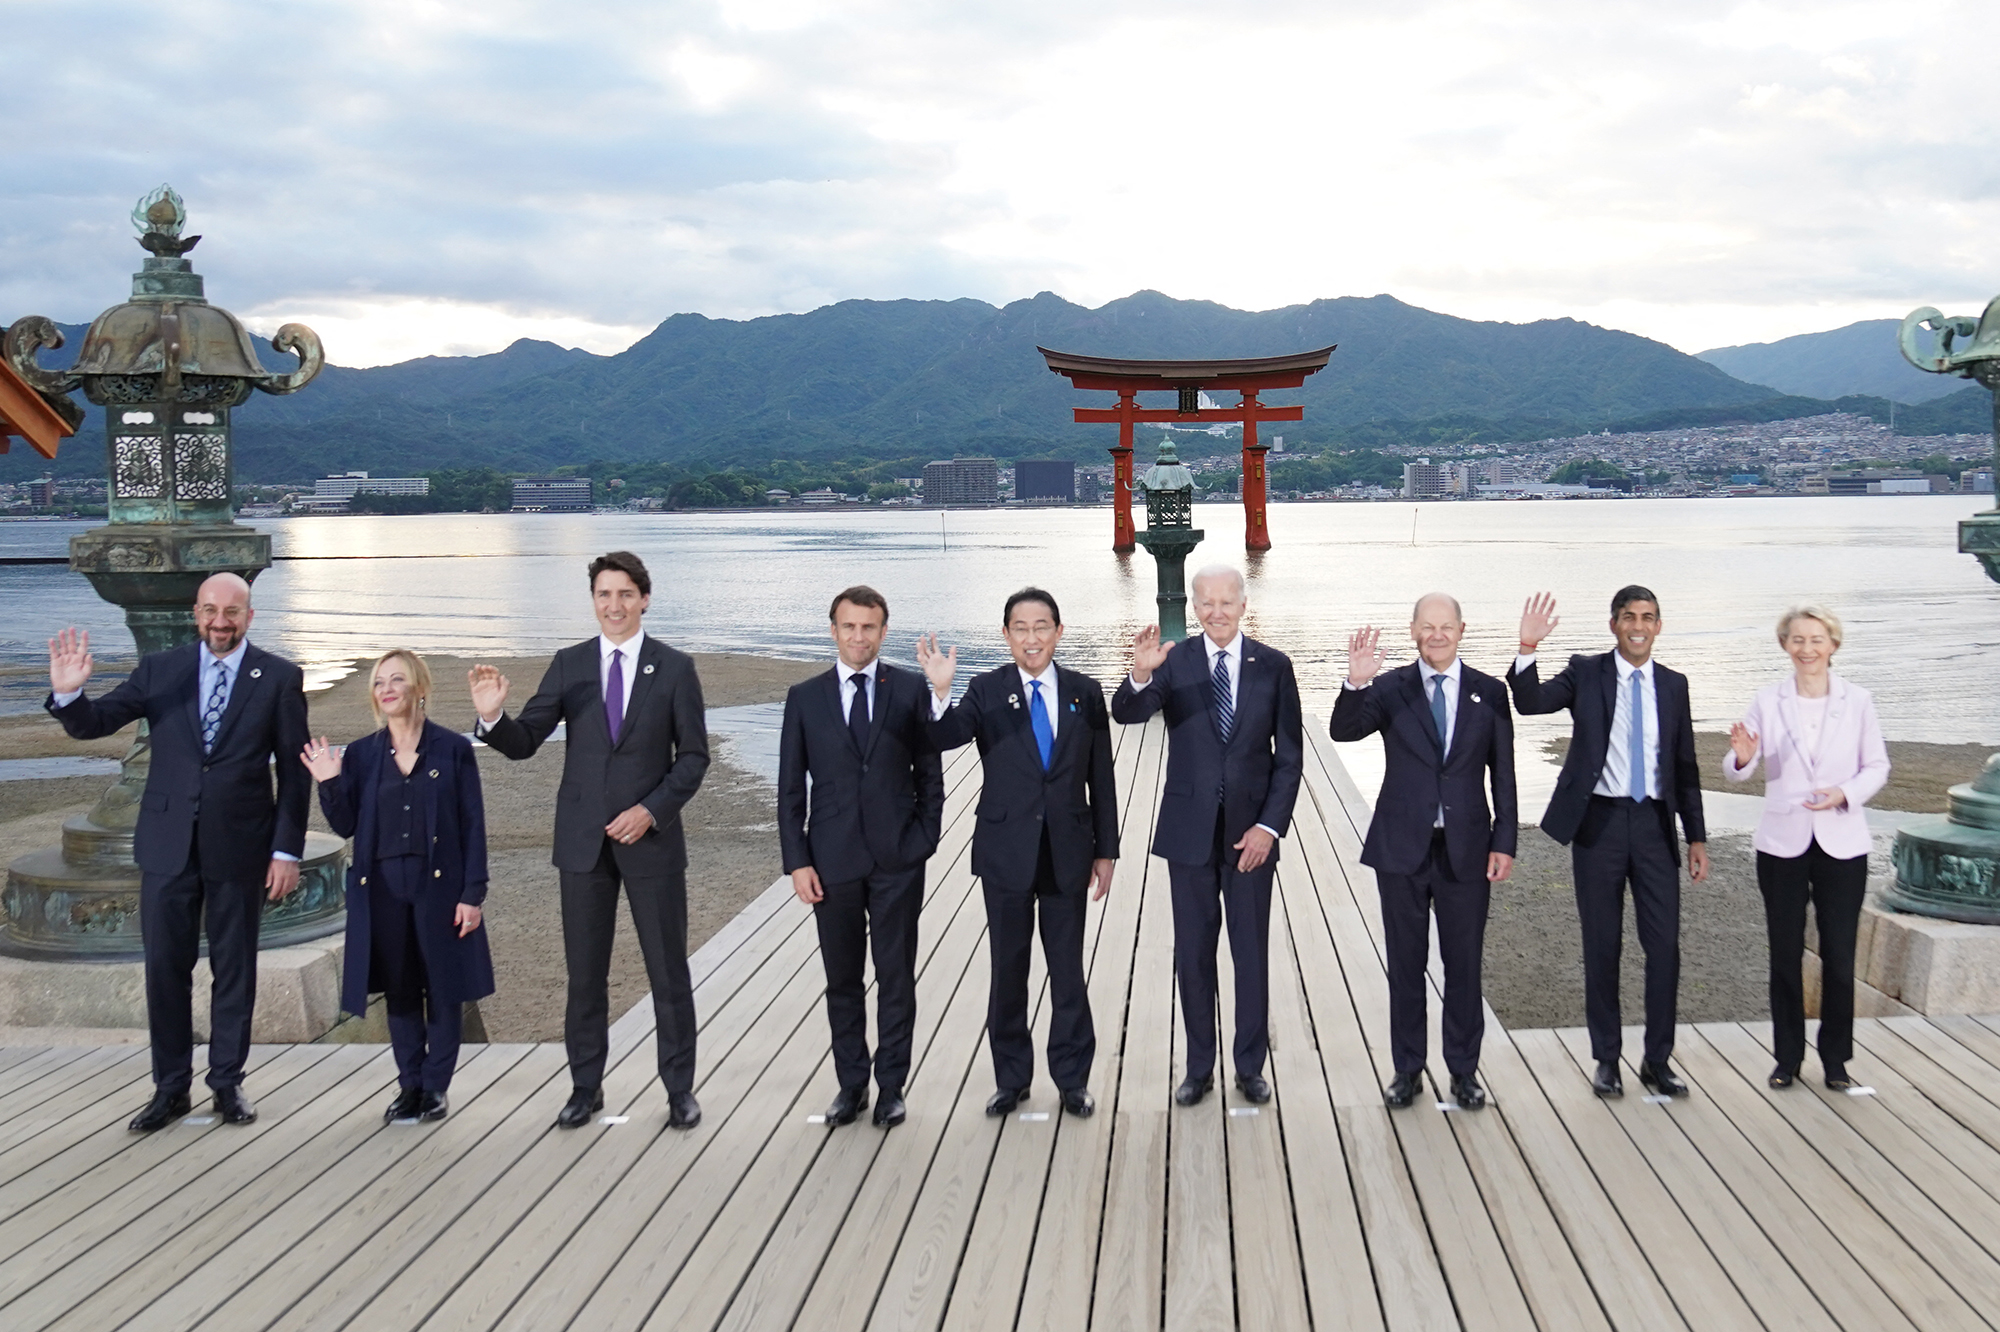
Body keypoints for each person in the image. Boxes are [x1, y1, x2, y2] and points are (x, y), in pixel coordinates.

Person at [45, 573, 309, 1132]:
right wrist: (70, 694)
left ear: (249, 616)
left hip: (241, 847)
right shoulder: (160, 670)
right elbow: (96, 723)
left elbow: (293, 772)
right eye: (211, 610)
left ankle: (227, 1084)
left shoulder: (280, 678)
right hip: (166, 847)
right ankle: (169, 1089)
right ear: (196, 613)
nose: (220, 621)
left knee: (234, 970)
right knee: (166, 970)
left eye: (232, 612)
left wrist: (286, 850)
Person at [468, 551, 709, 1130]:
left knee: (668, 973)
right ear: (594, 600)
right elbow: (527, 740)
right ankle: (585, 1088)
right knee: (584, 975)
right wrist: (493, 719)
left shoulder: (674, 668)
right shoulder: (570, 663)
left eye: (625, 594)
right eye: (604, 594)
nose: (614, 605)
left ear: (644, 598)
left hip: (650, 842)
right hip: (582, 844)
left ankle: (679, 1091)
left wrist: (650, 812)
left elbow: (694, 757)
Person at [918, 588, 1119, 1118]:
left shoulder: (1085, 691)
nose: (1032, 638)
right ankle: (1012, 1078)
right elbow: (945, 738)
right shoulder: (986, 690)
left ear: (1058, 631)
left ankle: (1072, 1079)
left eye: (1042, 626)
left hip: (1070, 849)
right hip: (1006, 850)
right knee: (1008, 968)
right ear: (1005, 634)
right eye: (1020, 628)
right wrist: (940, 692)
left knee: (1067, 969)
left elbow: (1102, 775)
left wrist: (1107, 850)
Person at [1110, 565, 1301, 1108]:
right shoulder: (1175, 662)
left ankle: (1249, 1066)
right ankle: (1198, 1068)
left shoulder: (1275, 667)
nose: (1216, 611)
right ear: (1194, 606)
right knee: (1193, 953)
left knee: (1250, 952)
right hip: (1188, 834)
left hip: (1251, 837)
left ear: (1244, 604)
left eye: (1226, 601)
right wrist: (1141, 675)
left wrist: (1268, 827)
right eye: (1206, 602)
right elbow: (1128, 713)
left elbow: (1288, 759)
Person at [1508, 587, 1709, 1099]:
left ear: (1658, 626)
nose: (1637, 626)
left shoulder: (1674, 684)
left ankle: (1657, 1061)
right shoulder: (1586, 672)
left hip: (1655, 829)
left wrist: (1697, 837)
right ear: (1613, 624)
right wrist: (1527, 649)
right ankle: (1607, 1060)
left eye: (1647, 618)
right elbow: (1530, 705)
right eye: (1628, 617)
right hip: (1597, 823)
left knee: (1663, 947)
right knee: (1602, 946)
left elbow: (1684, 767)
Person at [1331, 593, 1515, 1110]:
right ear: (1413, 630)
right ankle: (1407, 1071)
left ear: (1462, 629)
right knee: (1406, 966)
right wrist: (1356, 681)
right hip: (1401, 849)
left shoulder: (1489, 692)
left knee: (1464, 966)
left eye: (1446, 626)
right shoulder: (1391, 688)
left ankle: (1463, 1073)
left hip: (1467, 851)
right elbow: (1343, 732)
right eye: (1427, 626)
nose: (1437, 635)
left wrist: (1505, 842)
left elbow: (1503, 775)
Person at [302, 649, 495, 1122]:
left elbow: (472, 825)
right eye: (379, 683)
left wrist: (473, 894)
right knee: (401, 989)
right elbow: (347, 824)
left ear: (419, 688)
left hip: (439, 889)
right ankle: (409, 1086)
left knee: (444, 989)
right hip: (382, 888)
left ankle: (435, 1087)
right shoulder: (363, 754)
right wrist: (328, 782)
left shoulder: (451, 749)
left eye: (397, 680)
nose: (386, 689)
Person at [779, 587, 945, 1129]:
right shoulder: (804, 698)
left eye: (868, 627)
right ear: (833, 630)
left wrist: (923, 840)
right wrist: (797, 861)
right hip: (831, 861)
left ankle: (892, 1086)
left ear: (883, 631)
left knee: (896, 976)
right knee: (842, 979)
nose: (858, 637)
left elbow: (930, 775)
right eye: (849, 627)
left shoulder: (910, 689)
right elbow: (789, 792)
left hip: (899, 858)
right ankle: (851, 1086)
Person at [1724, 604, 1889, 1091]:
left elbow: (1877, 767)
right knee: (1783, 954)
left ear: (1833, 645)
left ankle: (1836, 1061)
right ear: (1785, 645)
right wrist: (1742, 756)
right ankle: (1787, 1059)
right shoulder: (1767, 699)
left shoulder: (1858, 700)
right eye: (1798, 640)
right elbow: (1740, 764)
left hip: (1842, 840)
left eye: (1817, 640)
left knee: (1839, 955)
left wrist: (1844, 794)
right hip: (1782, 841)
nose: (1807, 649)